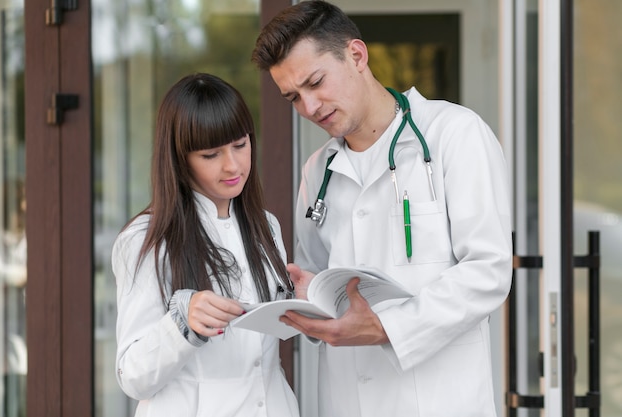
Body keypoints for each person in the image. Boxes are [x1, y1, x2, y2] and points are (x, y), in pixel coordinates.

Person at [252, 2, 513, 416]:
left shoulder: (454, 135)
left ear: (356, 55)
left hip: (440, 400)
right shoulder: (318, 170)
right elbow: (319, 281)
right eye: (293, 97)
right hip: (346, 401)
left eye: (316, 82)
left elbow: (488, 270)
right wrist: (303, 297)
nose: (310, 107)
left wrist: (387, 328)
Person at [111, 73, 299, 417]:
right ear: (179, 159)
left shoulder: (265, 226)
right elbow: (132, 376)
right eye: (211, 154)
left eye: (241, 145)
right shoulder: (147, 239)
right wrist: (183, 323)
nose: (233, 165)